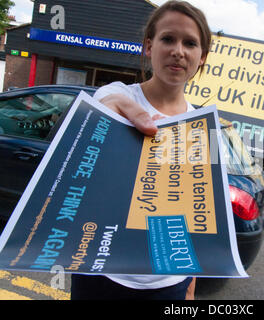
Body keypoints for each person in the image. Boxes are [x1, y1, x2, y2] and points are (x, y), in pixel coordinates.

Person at [70, 0, 211, 300]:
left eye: (190, 43)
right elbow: (107, 99)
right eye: (168, 38)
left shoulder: (201, 128)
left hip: (166, 283)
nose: (178, 51)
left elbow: (197, 215)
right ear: (149, 46)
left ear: (202, 57)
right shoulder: (120, 96)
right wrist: (107, 110)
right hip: (100, 271)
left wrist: (190, 283)